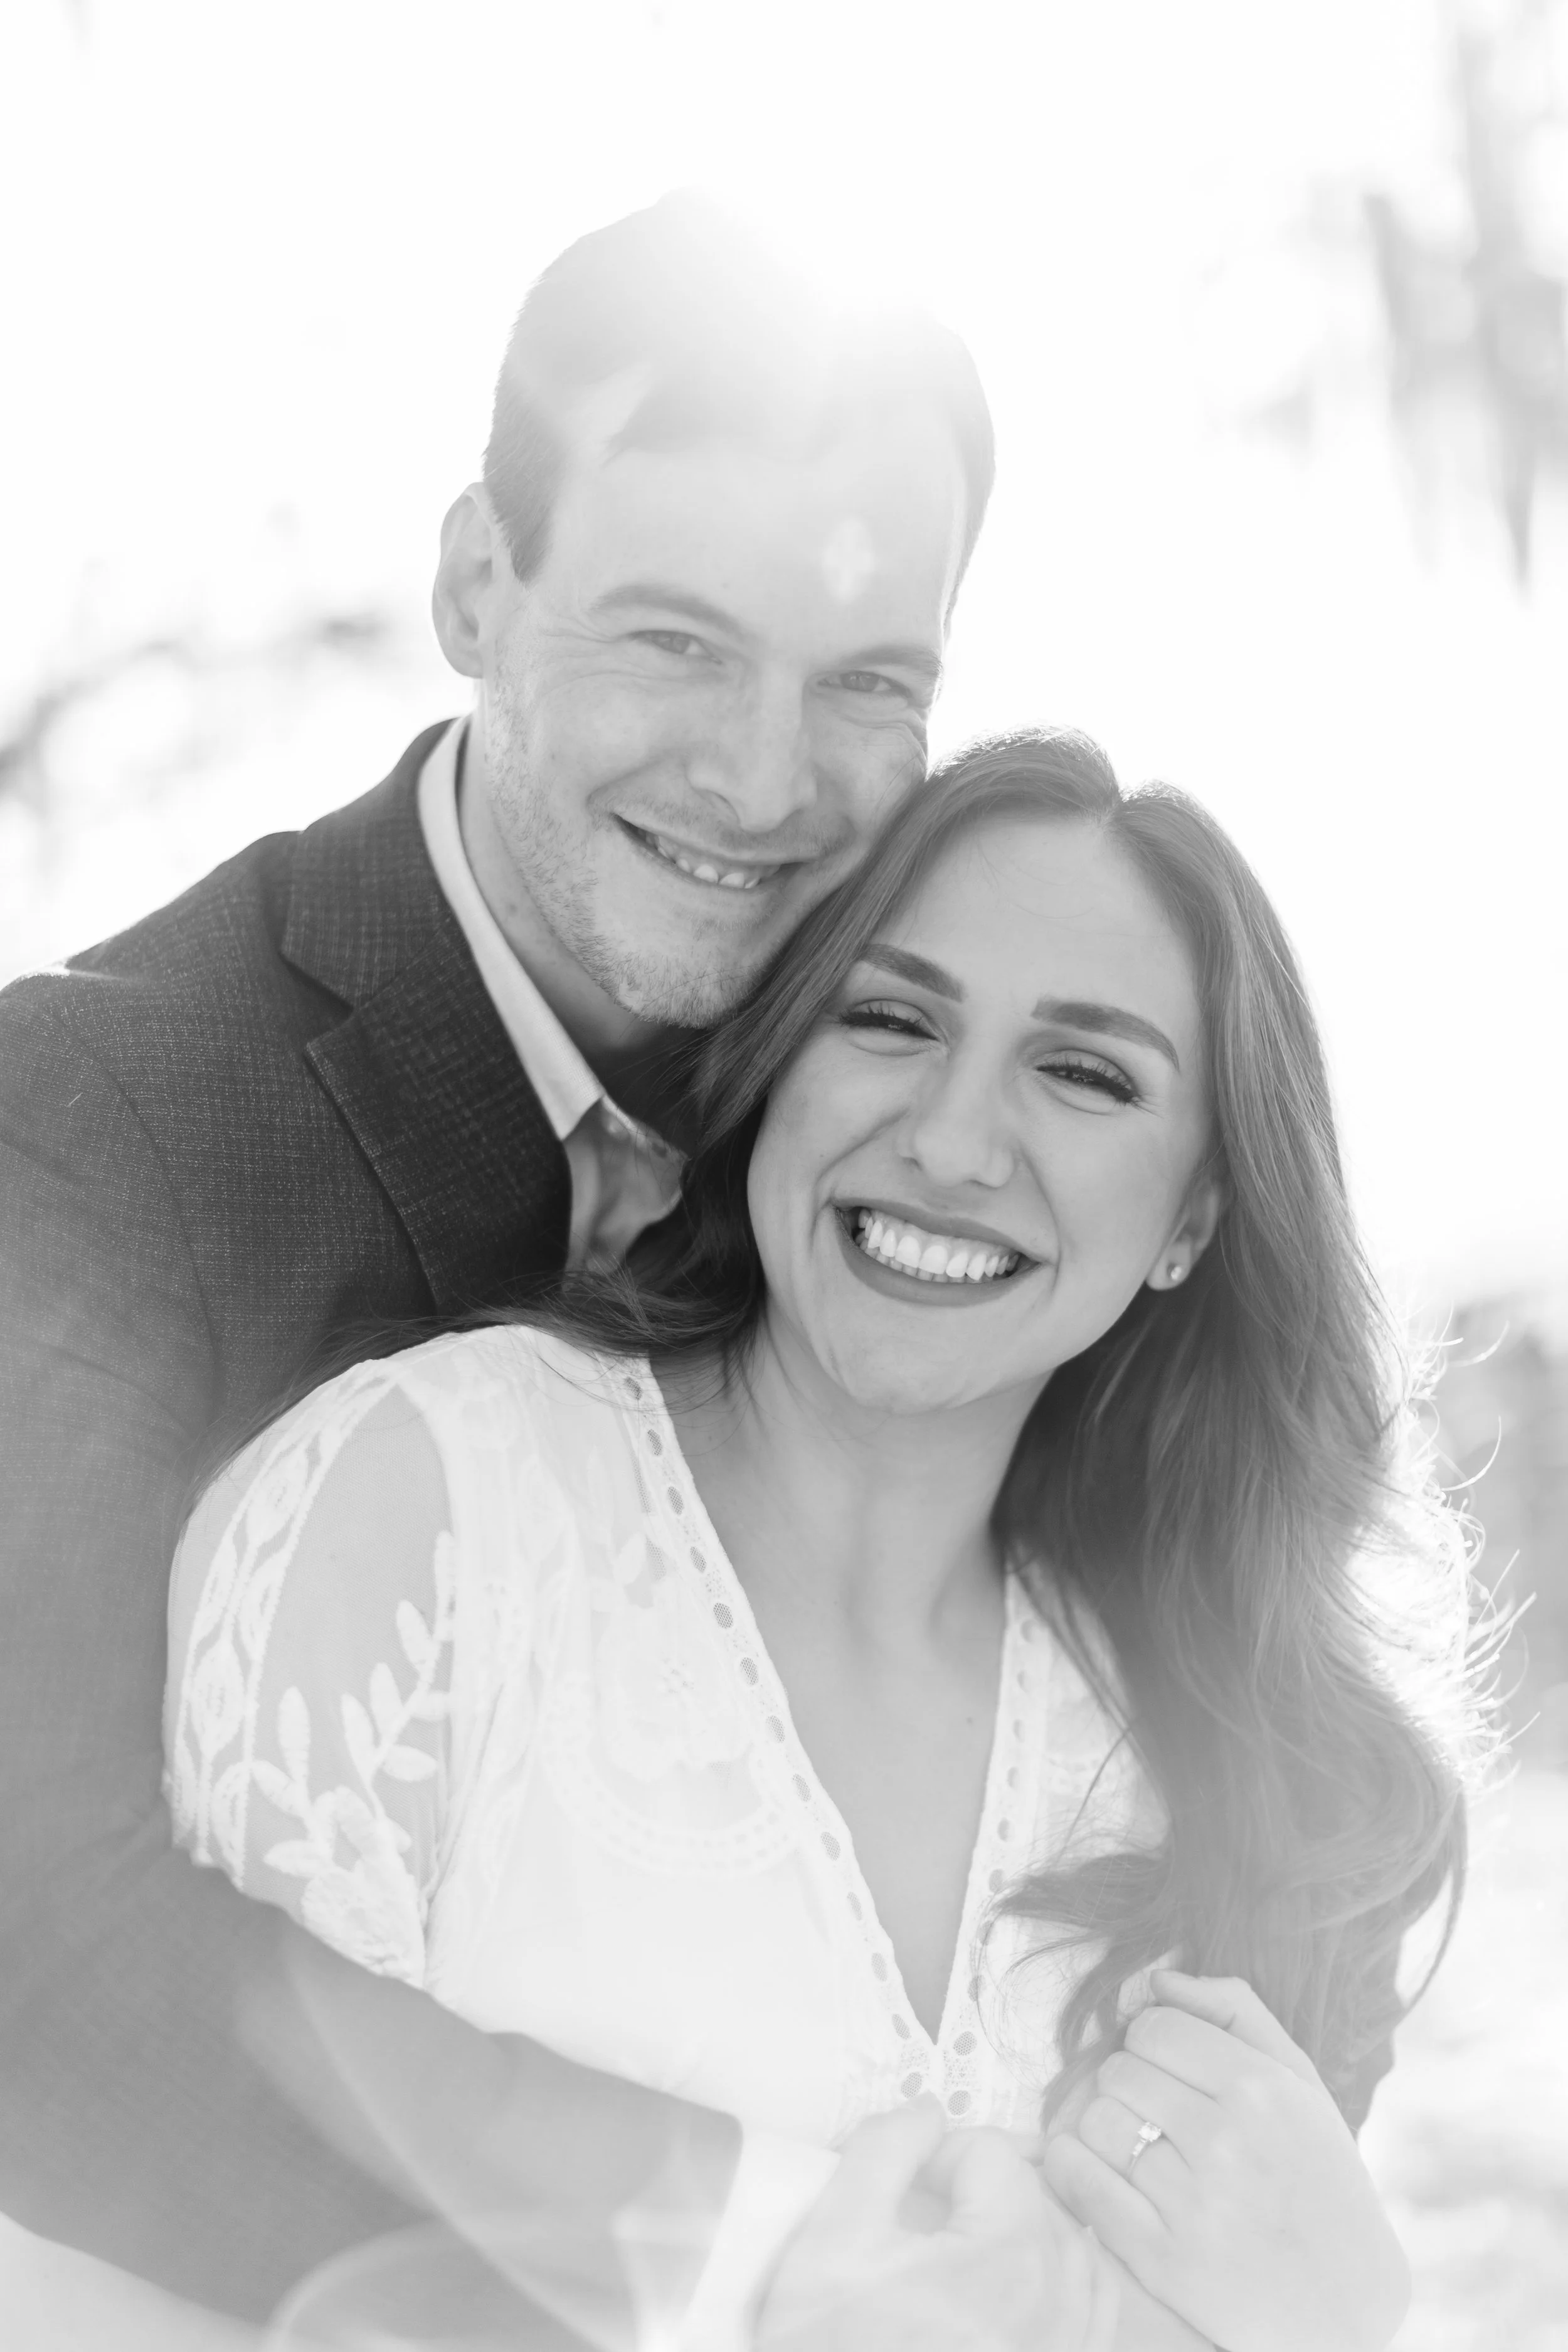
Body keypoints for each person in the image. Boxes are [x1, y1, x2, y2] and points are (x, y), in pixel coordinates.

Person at [167, 729, 1482, 2349]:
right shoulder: (429, 1516)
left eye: (1082, 1072)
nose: (948, 1138)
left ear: (1191, 1223)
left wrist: (1338, 2318)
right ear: (777, 1062)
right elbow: (189, 2261)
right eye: (889, 1018)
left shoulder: (1204, 1755)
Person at [0, 189, 995, 2323]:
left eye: (866, 683)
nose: (763, 775)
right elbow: (34, 1956)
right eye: (675, 639)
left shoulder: (920, 1134)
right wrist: (750, 2253)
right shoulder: (88, 1119)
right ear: (477, 582)